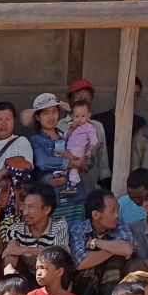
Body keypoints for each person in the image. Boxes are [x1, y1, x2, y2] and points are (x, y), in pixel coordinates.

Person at [24, 93, 88, 225]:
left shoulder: (64, 134)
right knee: (57, 235)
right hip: (53, 198)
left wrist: (81, 161)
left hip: (76, 196)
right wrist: (70, 163)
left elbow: (80, 154)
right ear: (37, 117)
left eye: (54, 111)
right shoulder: (36, 140)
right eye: (46, 113)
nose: (51, 116)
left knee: (78, 232)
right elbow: (43, 162)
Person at [70, 187, 135, 295]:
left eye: (118, 210)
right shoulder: (78, 229)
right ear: (96, 215)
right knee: (91, 268)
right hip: (85, 285)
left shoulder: (120, 227)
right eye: (112, 211)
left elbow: (127, 249)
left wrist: (96, 243)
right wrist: (114, 249)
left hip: (112, 279)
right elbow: (81, 262)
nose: (117, 215)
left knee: (115, 262)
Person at [2, 183, 70, 279]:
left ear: (46, 209)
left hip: (52, 279)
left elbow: (62, 252)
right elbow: (11, 251)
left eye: (31, 207)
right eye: (24, 207)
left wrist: (25, 250)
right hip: (27, 279)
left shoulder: (59, 225)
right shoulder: (15, 229)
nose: (25, 212)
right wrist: (9, 269)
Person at [59, 79, 111, 190]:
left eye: (87, 98)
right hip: (64, 186)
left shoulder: (97, 126)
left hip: (90, 185)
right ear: (70, 99)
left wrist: (105, 181)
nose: (83, 101)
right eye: (79, 97)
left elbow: (103, 158)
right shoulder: (60, 126)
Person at [0, 102, 34, 209]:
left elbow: (27, 165)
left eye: (8, 119)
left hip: (12, 208)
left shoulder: (21, 141)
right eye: (0, 119)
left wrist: (2, 172)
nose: (4, 123)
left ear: (14, 121)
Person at [94, 75, 145, 172]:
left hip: (131, 178)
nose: (131, 97)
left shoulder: (140, 123)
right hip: (102, 178)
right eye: (128, 93)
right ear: (117, 93)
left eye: (136, 94)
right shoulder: (99, 120)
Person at [64, 101, 99, 196]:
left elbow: (93, 140)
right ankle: (64, 180)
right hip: (68, 151)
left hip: (79, 151)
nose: (80, 119)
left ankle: (73, 184)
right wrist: (71, 129)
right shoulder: (71, 127)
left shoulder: (89, 128)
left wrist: (90, 149)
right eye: (76, 116)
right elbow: (64, 138)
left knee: (74, 168)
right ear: (72, 116)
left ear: (88, 116)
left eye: (83, 116)